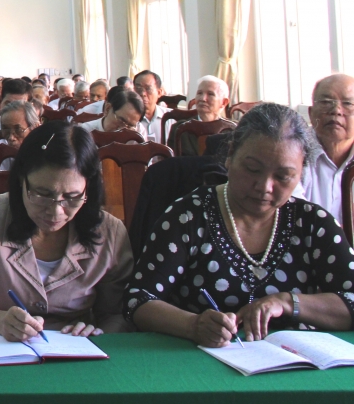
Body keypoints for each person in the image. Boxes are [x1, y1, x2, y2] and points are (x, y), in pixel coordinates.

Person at [125, 103, 354, 347]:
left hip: (296, 360)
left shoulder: (312, 223)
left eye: (283, 176)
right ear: (231, 155)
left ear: (301, 172)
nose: (264, 187)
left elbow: (350, 299)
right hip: (200, 357)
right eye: (252, 169)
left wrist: (287, 302)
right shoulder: (189, 217)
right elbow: (139, 300)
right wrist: (193, 325)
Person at [0, 121, 132, 340]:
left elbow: (117, 313)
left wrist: (100, 334)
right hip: (4, 345)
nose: (56, 211)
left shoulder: (110, 231)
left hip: (78, 348)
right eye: (42, 194)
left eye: (72, 197)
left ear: (88, 189)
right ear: (21, 180)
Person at [299, 73, 354, 222]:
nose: (336, 111)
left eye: (348, 104)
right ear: (310, 113)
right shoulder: (294, 152)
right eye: (326, 102)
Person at [167, 76, 232, 156]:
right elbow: (173, 162)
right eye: (199, 93)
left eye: (210, 94)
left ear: (224, 102)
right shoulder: (180, 129)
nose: (203, 98)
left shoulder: (232, 129)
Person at [78, 87, 148, 138]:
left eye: (129, 126)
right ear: (107, 109)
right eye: (121, 120)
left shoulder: (138, 132)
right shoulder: (85, 131)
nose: (123, 129)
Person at [134, 70, 170, 143]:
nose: (143, 93)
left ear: (159, 92)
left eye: (148, 89)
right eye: (138, 89)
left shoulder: (170, 117)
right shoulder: (127, 119)